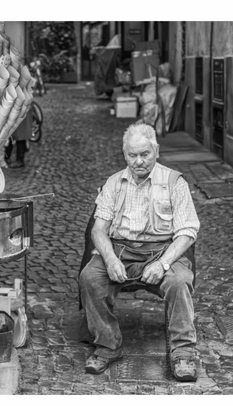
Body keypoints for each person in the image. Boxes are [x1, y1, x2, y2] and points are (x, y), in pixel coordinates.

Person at [79, 121, 200, 381]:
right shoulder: (113, 184)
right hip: (120, 250)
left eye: (145, 154)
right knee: (91, 277)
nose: (139, 161)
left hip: (161, 251)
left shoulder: (174, 183)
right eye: (132, 155)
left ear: (156, 151)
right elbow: (98, 230)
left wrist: (164, 264)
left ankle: (183, 353)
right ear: (125, 155)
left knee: (179, 281)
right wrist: (110, 259)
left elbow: (188, 231)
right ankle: (107, 345)